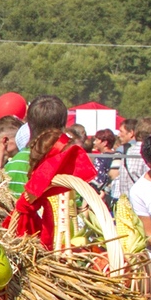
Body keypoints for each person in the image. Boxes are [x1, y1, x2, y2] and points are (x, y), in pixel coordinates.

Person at [12, 96, 95, 245]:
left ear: (29, 125)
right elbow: (77, 205)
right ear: (64, 124)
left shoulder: (14, 162)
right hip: (63, 242)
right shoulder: (68, 160)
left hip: (22, 238)